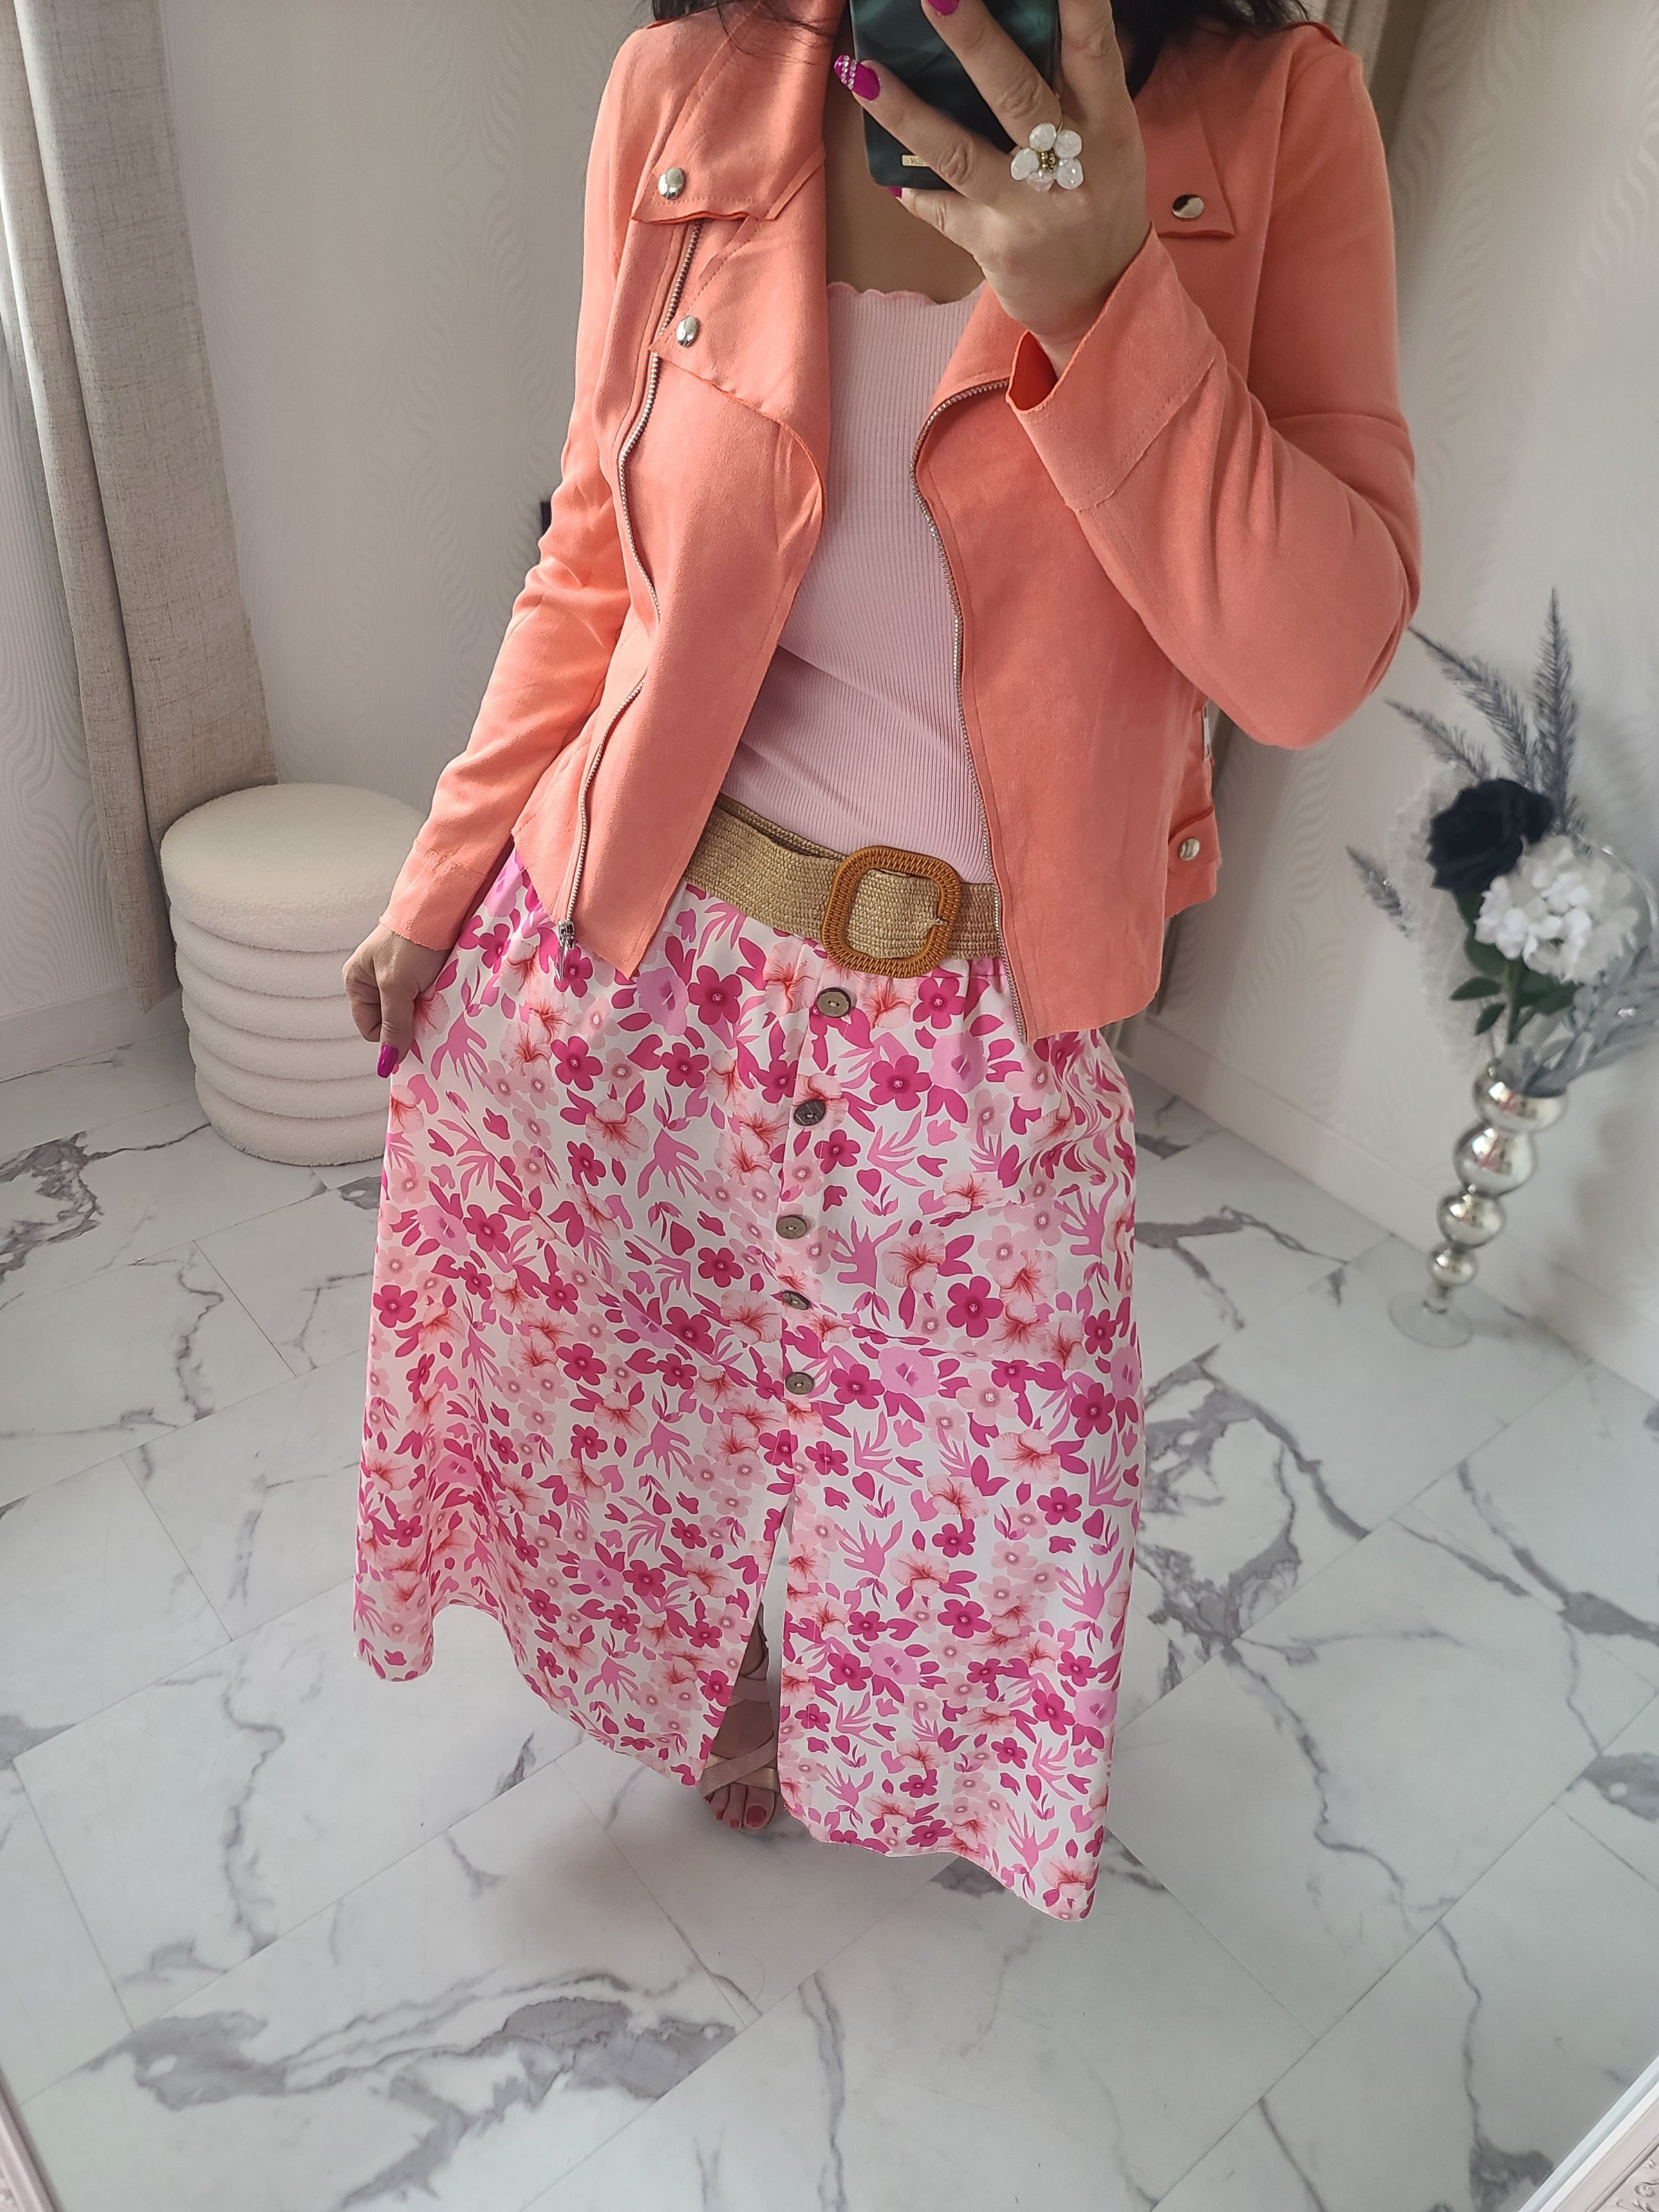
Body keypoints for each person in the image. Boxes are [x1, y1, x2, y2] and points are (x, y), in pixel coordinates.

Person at [344, 0, 1418, 1918]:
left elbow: (1311, 663)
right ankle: (725, 1659)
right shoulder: (688, 86)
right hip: (639, 952)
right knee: (651, 1393)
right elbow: (595, 546)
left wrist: (1108, 306)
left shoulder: (1274, 115)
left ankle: (865, 1715)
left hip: (977, 1020)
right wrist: (440, 879)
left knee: (980, 1473)